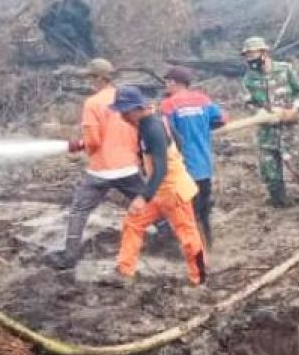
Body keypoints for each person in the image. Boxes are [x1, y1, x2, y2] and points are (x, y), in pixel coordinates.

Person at [46, 58, 144, 270]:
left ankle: (69, 257)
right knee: (149, 202)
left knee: (79, 210)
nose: (89, 81)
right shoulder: (126, 98)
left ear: (99, 78)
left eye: (91, 77)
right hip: (128, 166)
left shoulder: (93, 103)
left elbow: (94, 141)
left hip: (102, 170)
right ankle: (169, 239)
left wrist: (80, 144)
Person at [107, 85, 208, 287]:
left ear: (137, 108)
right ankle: (124, 271)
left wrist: (142, 197)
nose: (122, 117)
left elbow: (160, 170)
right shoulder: (149, 122)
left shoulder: (152, 128)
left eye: (125, 112)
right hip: (159, 191)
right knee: (133, 222)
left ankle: (199, 277)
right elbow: (178, 143)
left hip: (173, 191)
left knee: (187, 235)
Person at [239, 36, 299, 217]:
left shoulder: (285, 70)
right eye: (247, 56)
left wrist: (295, 109)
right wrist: (259, 114)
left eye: (252, 55)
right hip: (266, 135)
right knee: (270, 174)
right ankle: (280, 209)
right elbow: (248, 102)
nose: (250, 59)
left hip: (289, 132)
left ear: (264, 53)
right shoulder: (249, 78)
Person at [160, 66, 226, 248]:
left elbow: (166, 135)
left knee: (184, 210)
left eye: (166, 82)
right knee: (203, 211)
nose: (165, 86)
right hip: (204, 165)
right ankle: (209, 246)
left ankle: (188, 250)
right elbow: (221, 119)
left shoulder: (168, 105)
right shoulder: (203, 100)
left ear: (173, 82)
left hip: (183, 167)